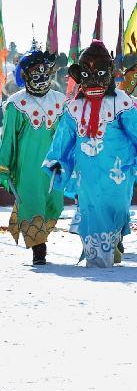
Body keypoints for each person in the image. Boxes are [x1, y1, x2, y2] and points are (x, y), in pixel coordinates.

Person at [43, 41, 137, 267]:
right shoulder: (73, 107)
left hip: (117, 171)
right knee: (90, 209)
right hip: (87, 172)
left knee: (115, 208)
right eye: (88, 73)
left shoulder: (122, 102)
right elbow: (63, 139)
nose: (94, 79)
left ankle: (113, 243)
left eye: (100, 73)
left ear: (110, 73)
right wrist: (56, 161)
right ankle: (98, 257)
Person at [0, 45, 66, 265]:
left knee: (54, 204)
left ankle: (41, 238)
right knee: (32, 204)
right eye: (35, 74)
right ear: (25, 75)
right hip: (27, 166)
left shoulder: (60, 100)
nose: (40, 78)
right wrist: (4, 169)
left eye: (44, 74)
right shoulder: (16, 104)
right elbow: (8, 139)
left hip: (54, 166)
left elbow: (67, 135)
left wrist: (69, 160)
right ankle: (39, 249)